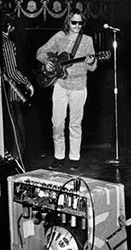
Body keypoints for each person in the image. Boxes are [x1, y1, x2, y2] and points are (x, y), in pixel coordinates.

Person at [36, 10, 97, 171]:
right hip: (60, 85)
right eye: (74, 23)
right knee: (57, 123)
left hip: (79, 86)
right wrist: (47, 61)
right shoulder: (59, 37)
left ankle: (74, 157)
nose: (77, 26)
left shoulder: (87, 40)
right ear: (68, 23)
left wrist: (91, 62)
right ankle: (59, 156)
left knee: (75, 124)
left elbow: (93, 67)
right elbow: (40, 52)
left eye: (80, 23)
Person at [0, 12, 35, 170]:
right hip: (11, 96)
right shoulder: (6, 43)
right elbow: (11, 71)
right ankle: (18, 166)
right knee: (18, 133)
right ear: (9, 27)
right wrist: (27, 83)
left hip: (0, 95)